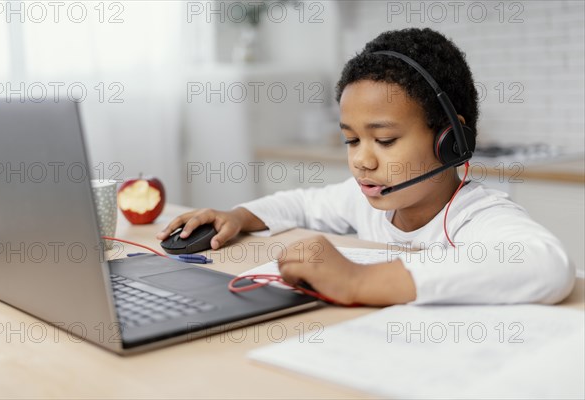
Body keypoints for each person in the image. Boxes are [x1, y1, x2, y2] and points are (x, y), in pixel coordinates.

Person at [157, 28, 575, 306]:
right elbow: (299, 204)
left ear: (451, 141)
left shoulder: (478, 215)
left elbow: (547, 265)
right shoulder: (364, 200)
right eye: (352, 140)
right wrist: (237, 216)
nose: (362, 160)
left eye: (385, 140)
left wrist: (359, 281)